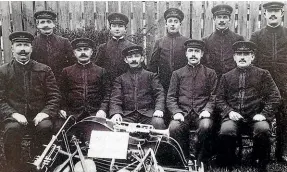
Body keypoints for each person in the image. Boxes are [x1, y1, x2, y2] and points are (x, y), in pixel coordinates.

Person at [0, 31, 61, 172]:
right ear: (12, 48)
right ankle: (13, 167)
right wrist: (13, 114)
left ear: (31, 49)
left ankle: (40, 166)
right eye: (19, 45)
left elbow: (54, 96)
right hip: (15, 117)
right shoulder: (3, 72)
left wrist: (45, 113)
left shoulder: (44, 70)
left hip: (39, 116)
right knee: (12, 129)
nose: (23, 49)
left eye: (26, 45)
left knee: (46, 127)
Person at [216, 41, 281, 172]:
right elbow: (219, 99)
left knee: (262, 129)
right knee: (226, 130)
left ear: (252, 57)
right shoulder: (226, 77)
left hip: (255, 117)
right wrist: (229, 112)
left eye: (246, 54)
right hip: (233, 117)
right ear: (234, 57)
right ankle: (229, 161)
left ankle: (259, 160)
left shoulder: (263, 74)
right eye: (239, 54)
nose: (242, 57)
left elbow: (275, 97)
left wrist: (263, 114)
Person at [167, 39, 217, 165]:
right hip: (183, 113)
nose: (193, 54)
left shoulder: (210, 73)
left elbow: (214, 95)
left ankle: (201, 160)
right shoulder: (177, 74)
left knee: (206, 126)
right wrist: (176, 112)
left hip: (202, 113)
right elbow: (171, 97)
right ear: (186, 54)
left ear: (202, 54)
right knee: (174, 127)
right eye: (190, 51)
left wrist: (207, 110)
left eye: (197, 51)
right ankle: (184, 159)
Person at [249, 1, 287, 162]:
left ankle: (282, 152)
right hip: (262, 86)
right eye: (270, 12)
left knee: (284, 119)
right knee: (261, 118)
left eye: (276, 11)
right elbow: (253, 62)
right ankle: (259, 153)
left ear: (282, 14)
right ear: (264, 15)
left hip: (284, 84)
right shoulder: (256, 36)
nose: (273, 14)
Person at [109, 45, 165, 129]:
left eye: (136, 56)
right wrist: (116, 113)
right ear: (126, 60)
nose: (133, 59)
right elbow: (115, 98)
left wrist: (159, 109)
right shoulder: (120, 79)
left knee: (158, 122)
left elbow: (159, 94)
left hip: (147, 114)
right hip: (128, 115)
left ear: (142, 58)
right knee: (115, 126)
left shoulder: (151, 76)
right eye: (130, 57)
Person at [59, 38, 110, 121]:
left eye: (86, 49)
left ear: (91, 52)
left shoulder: (101, 71)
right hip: (72, 114)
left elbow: (107, 94)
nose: (83, 53)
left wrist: (102, 109)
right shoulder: (67, 71)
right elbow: (62, 93)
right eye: (79, 50)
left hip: (95, 114)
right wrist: (62, 108)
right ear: (74, 53)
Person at [148, 8, 189, 91]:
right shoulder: (160, 42)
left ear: (180, 24)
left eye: (176, 21)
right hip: (164, 83)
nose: (173, 24)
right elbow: (153, 65)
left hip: (183, 83)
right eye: (170, 21)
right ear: (166, 24)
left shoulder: (186, 41)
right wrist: (156, 83)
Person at [31, 10, 75, 82]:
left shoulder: (64, 42)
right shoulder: (33, 43)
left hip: (60, 82)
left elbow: (72, 64)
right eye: (42, 22)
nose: (46, 25)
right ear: (37, 25)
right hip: (39, 83)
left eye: (49, 22)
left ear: (53, 24)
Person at [202, 4, 244, 78]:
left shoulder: (238, 39)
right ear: (214, 19)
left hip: (233, 79)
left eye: (225, 17)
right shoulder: (206, 41)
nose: (222, 20)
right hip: (213, 80)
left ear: (230, 20)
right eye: (219, 17)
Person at [95, 12, 135, 84]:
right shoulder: (103, 47)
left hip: (127, 85)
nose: (117, 29)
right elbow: (97, 69)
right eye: (114, 26)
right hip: (107, 86)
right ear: (110, 29)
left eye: (120, 26)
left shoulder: (132, 47)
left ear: (125, 29)